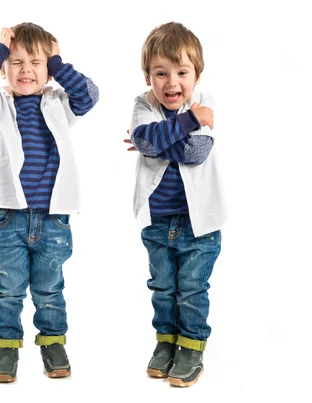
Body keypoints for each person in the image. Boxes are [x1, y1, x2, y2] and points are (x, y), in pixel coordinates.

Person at [0, 22, 98, 383]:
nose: (26, 70)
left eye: (36, 62)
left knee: (50, 288)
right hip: (8, 217)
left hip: (53, 218)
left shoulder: (58, 102)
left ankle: (52, 343)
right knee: (7, 288)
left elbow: (90, 96)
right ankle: (6, 346)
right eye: (16, 62)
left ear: (49, 67)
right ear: (4, 67)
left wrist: (59, 62)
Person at [125, 22, 226, 387]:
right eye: (160, 73)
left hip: (198, 225)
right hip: (156, 221)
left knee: (192, 289)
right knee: (163, 287)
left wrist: (154, 140)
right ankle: (166, 342)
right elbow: (147, 141)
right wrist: (186, 123)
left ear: (196, 75)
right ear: (148, 75)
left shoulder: (206, 102)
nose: (171, 82)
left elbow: (196, 152)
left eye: (181, 72)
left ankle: (192, 347)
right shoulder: (143, 104)